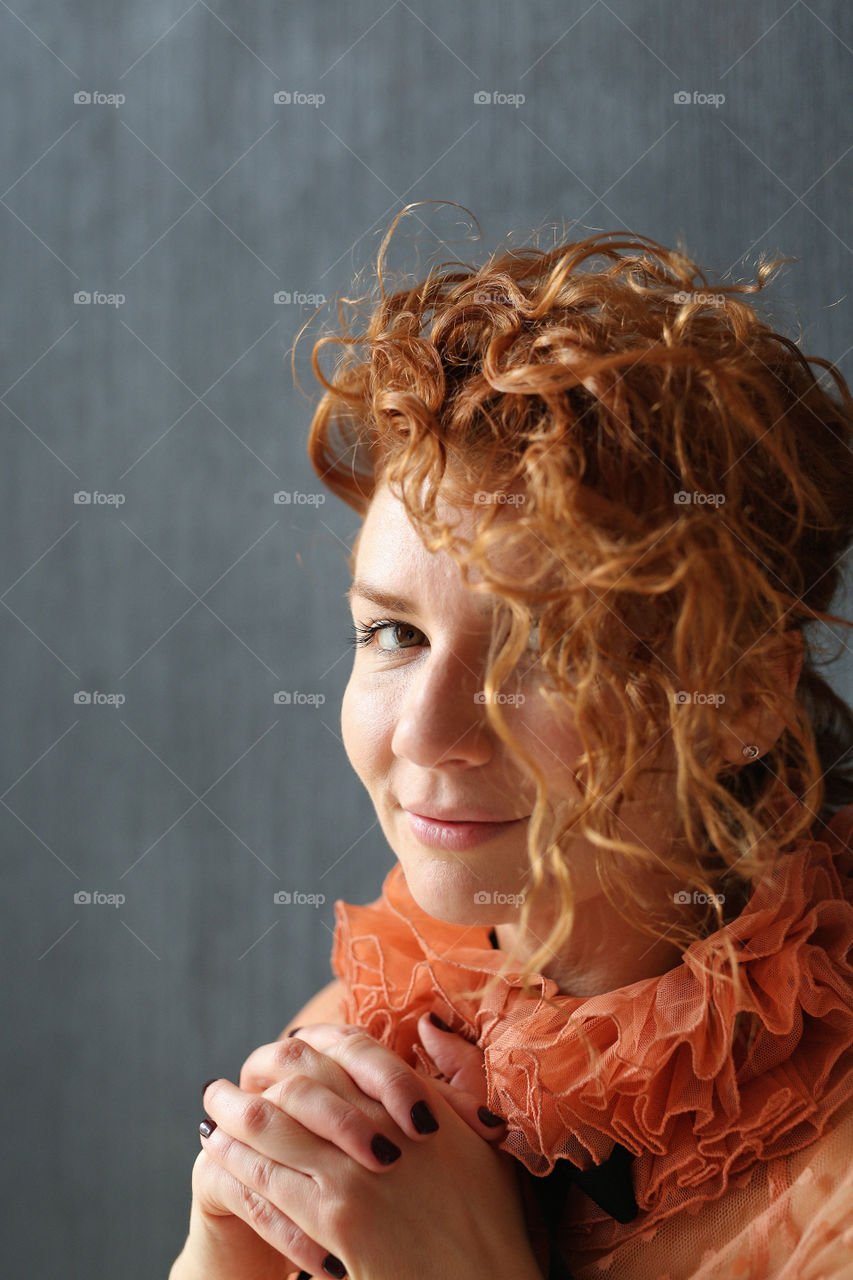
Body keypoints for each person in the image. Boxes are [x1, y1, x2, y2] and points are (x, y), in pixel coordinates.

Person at [169, 204, 853, 1280]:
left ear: (741, 699)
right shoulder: (357, 1033)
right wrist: (225, 1251)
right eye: (394, 631)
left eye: (541, 649)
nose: (428, 732)